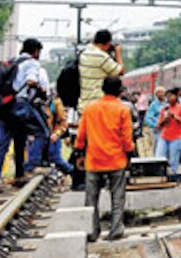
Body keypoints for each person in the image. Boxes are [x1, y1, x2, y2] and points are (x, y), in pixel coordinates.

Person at [75, 76, 135, 242]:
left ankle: (92, 231)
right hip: (116, 160)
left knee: (91, 198)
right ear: (119, 91)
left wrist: (79, 153)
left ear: (102, 89)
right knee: (117, 196)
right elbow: (126, 137)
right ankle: (115, 229)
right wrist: (129, 153)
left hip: (93, 160)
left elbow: (81, 135)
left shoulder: (90, 108)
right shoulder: (123, 110)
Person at [0, 39, 49, 190]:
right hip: (20, 104)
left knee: (4, 143)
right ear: (35, 51)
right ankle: (31, 166)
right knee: (42, 133)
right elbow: (31, 81)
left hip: (5, 106)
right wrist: (39, 87)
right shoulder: (32, 63)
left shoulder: (12, 61)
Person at [24, 89, 74, 176]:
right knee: (40, 160)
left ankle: (75, 173)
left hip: (53, 136)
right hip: (40, 136)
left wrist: (57, 134)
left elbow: (63, 123)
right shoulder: (33, 104)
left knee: (56, 159)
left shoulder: (56, 103)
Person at [78, 30, 124, 111]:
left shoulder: (84, 54)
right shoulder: (101, 56)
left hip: (84, 105)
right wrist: (118, 53)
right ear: (107, 43)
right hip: (98, 105)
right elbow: (121, 71)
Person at [155, 87, 181, 177]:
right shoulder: (164, 109)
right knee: (159, 156)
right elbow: (158, 125)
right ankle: (159, 175)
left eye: (171, 96)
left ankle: (173, 175)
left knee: (173, 159)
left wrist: (174, 116)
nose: (169, 99)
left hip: (177, 137)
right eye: (167, 97)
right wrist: (164, 120)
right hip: (164, 136)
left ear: (176, 97)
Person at [144, 87, 165, 156]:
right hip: (157, 129)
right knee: (157, 146)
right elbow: (148, 118)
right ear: (156, 94)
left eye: (162, 92)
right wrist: (154, 125)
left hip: (167, 129)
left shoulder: (167, 102)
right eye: (159, 92)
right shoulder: (153, 105)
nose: (161, 94)